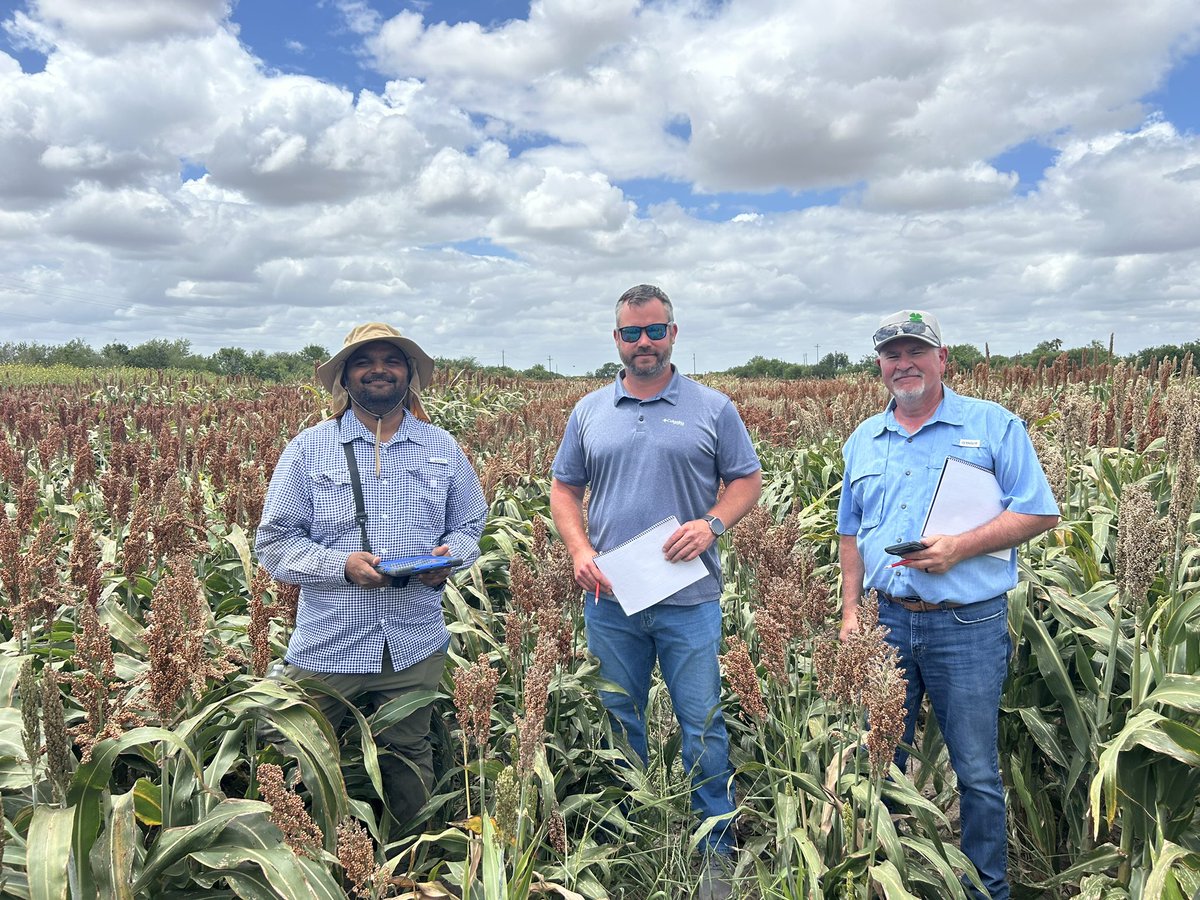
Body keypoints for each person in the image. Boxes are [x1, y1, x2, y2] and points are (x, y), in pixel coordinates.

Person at [550, 284, 762, 899]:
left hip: (688, 600)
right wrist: (579, 550)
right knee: (619, 718)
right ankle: (632, 833)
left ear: (673, 333)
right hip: (611, 599)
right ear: (616, 339)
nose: (643, 342)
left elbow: (746, 480)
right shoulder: (589, 411)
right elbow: (565, 489)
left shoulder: (713, 408)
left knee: (702, 723)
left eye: (654, 330)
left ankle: (715, 847)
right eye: (631, 333)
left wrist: (712, 523)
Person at [837, 310, 1059, 900]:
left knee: (977, 771)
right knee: (880, 760)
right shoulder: (864, 439)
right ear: (880, 365)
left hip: (968, 623)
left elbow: (1039, 510)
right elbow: (849, 533)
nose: (903, 364)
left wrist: (960, 547)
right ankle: (887, 878)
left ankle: (987, 888)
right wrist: (851, 612)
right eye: (892, 354)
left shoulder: (993, 426)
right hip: (885, 621)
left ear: (942, 359)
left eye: (916, 351)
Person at [256, 322, 488, 827]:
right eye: (364, 361)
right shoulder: (309, 449)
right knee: (293, 751)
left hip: (413, 641)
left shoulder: (442, 447)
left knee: (408, 758)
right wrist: (341, 566)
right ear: (344, 376)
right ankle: (304, 852)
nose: (378, 370)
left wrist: (450, 558)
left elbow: (470, 524)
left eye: (391, 361)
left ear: (409, 375)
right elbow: (273, 544)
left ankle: (413, 856)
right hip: (329, 643)